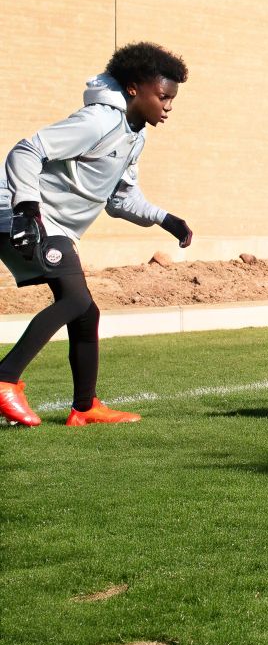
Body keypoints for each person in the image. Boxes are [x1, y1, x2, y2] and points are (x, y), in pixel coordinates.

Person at [0, 44, 194, 427]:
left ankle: (85, 408)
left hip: (48, 222)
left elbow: (120, 199)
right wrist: (26, 211)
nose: (168, 106)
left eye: (172, 99)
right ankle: (5, 379)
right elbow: (25, 151)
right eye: (163, 96)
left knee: (86, 313)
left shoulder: (134, 136)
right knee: (75, 300)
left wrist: (164, 218)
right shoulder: (98, 121)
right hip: (19, 213)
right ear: (135, 88)